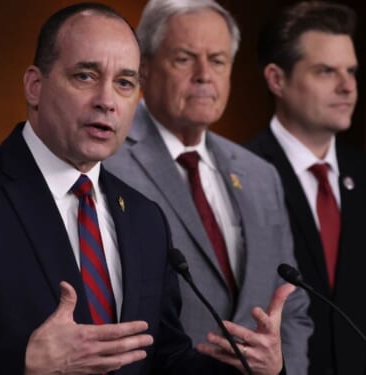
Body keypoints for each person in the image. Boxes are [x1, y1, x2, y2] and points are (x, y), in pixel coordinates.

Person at [0, 3, 295, 375]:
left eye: (125, 83)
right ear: (35, 86)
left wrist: (249, 369)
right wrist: (23, 360)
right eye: (85, 75)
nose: (106, 100)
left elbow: (164, 358)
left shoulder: (145, 218)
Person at [103, 0, 312, 373]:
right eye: (185, 59)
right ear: (144, 69)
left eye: (217, 61)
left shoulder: (260, 175)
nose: (204, 75)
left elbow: (292, 308)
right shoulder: (106, 161)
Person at [247, 2, 366, 374]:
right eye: (326, 71)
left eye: (351, 71)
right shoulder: (239, 174)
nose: (347, 86)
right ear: (277, 79)